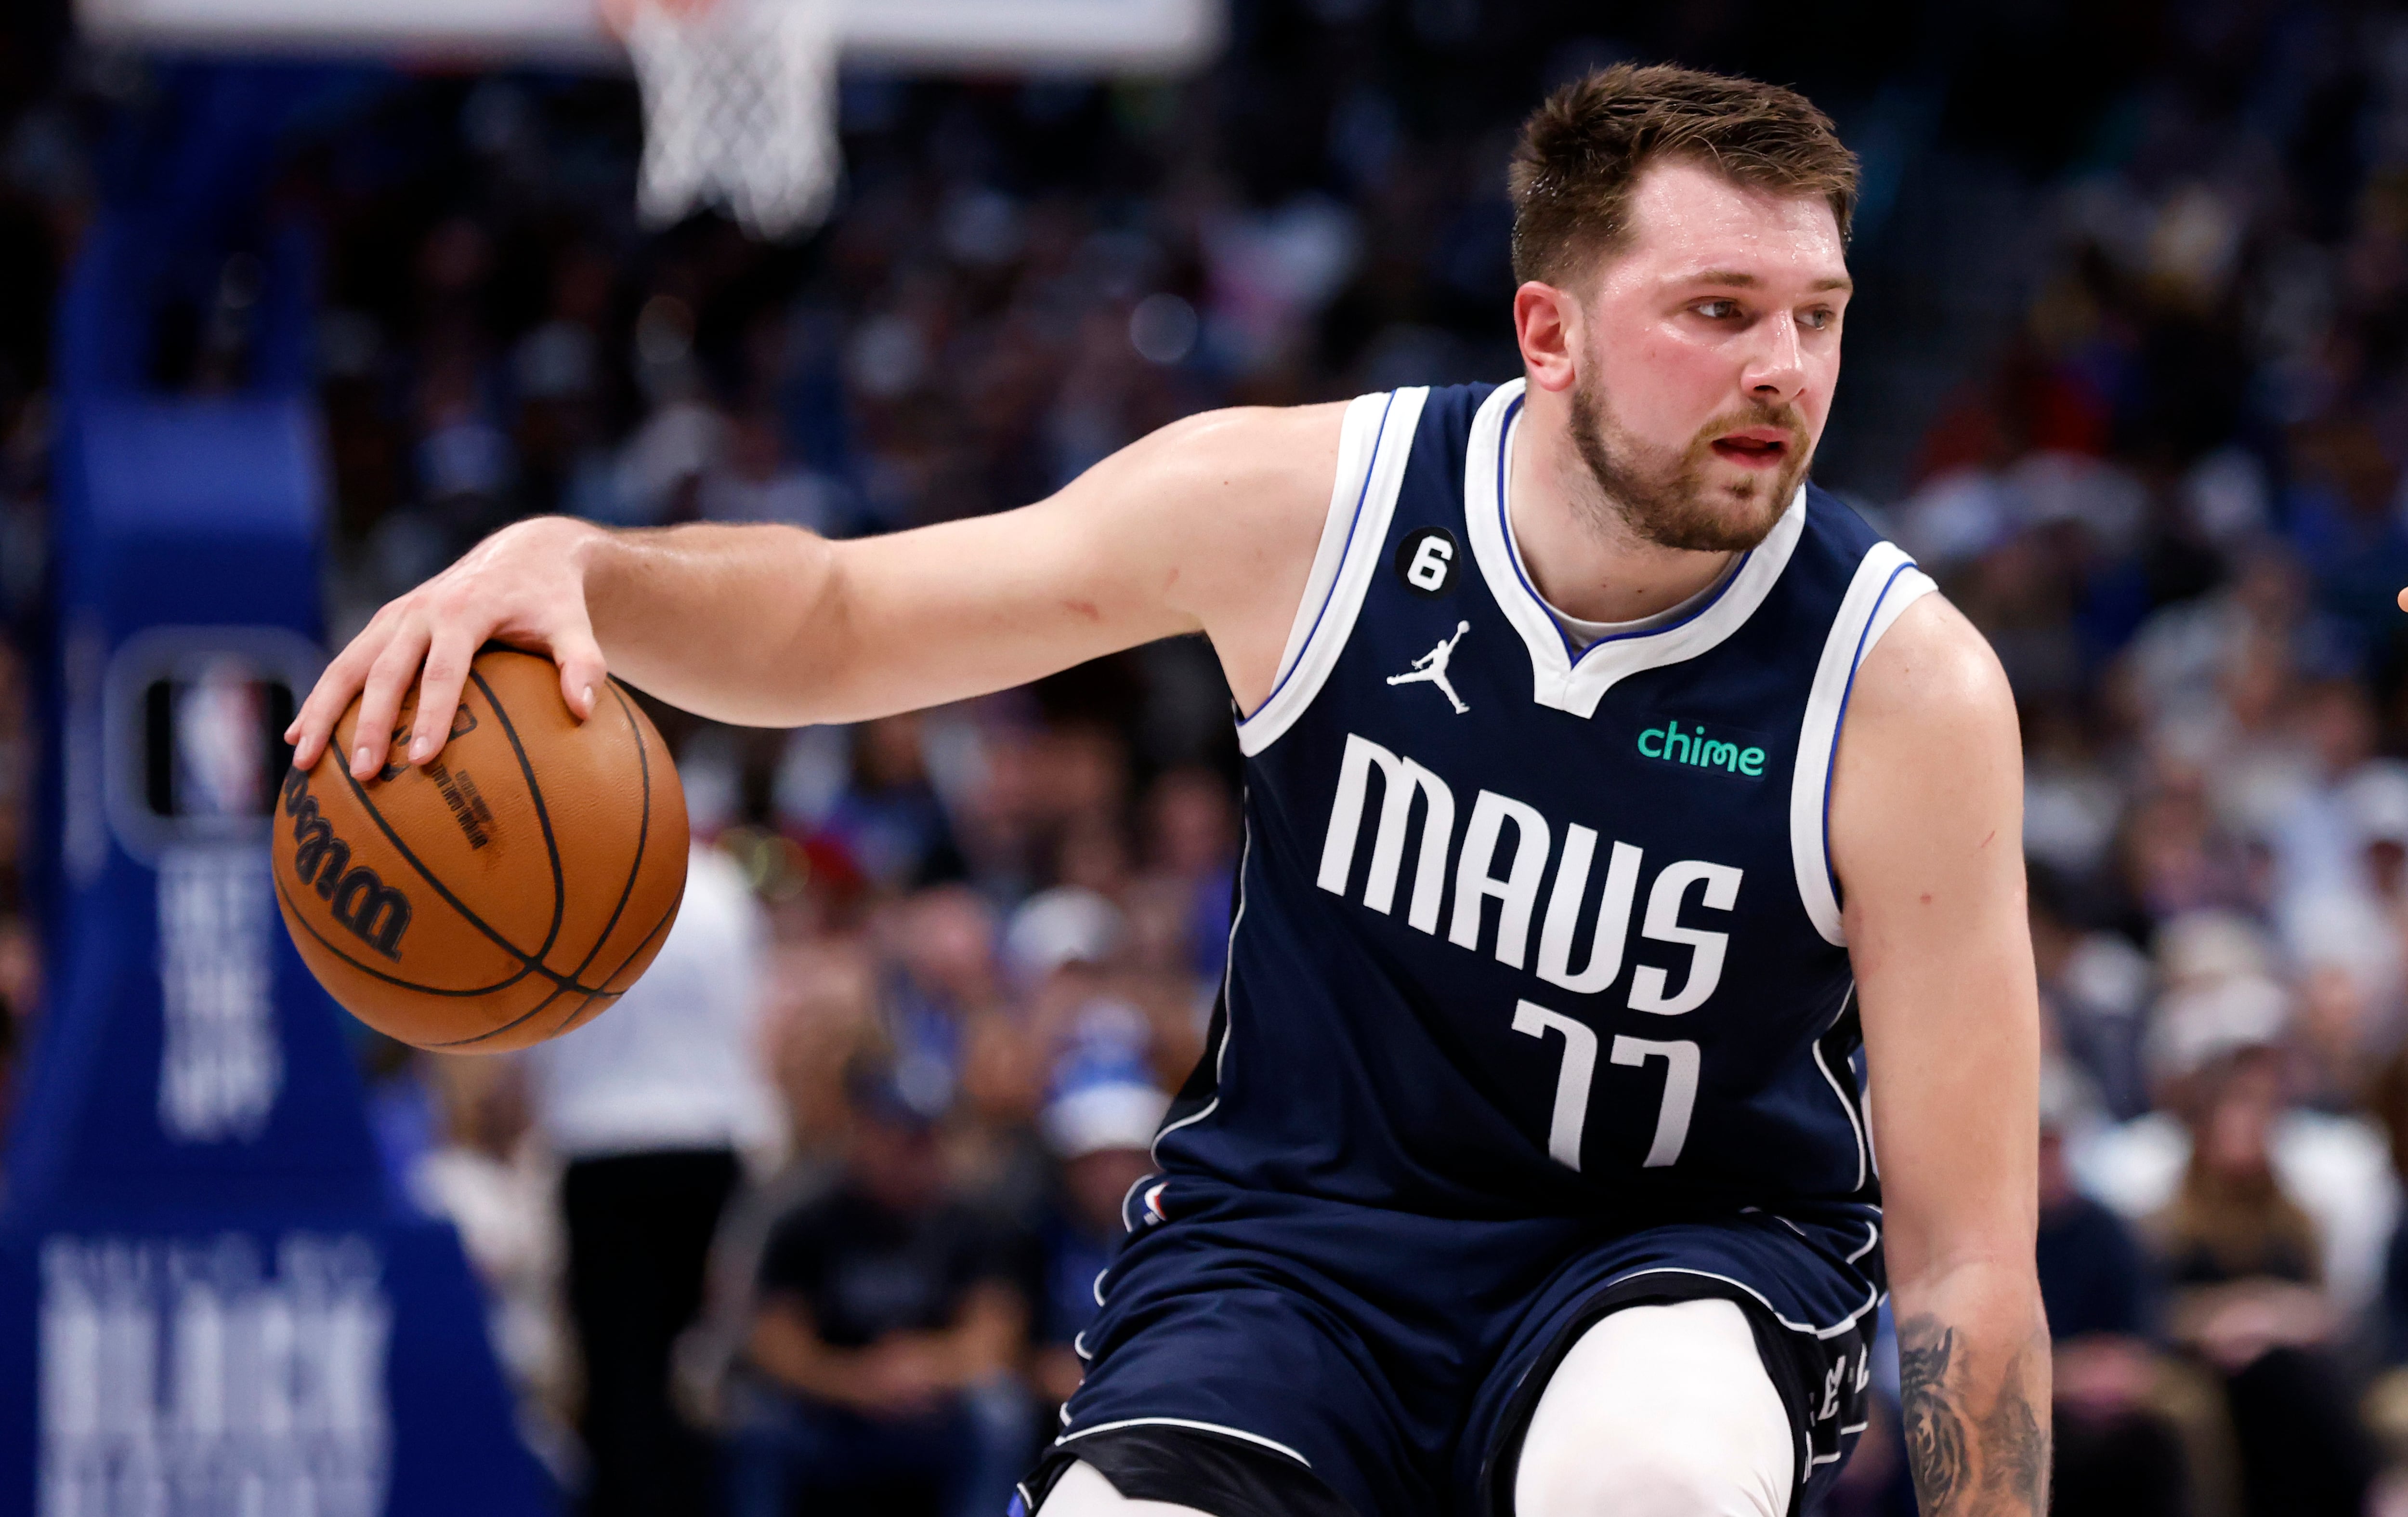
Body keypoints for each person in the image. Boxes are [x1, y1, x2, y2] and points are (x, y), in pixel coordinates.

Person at [289, 64, 2048, 1517]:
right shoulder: (1305, 509)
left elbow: (1968, 1257)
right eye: (1718, 311)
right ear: (1550, 332)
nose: (1782, 372)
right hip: (1297, 1246)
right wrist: (580, 565)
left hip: (1676, 1255)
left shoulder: (1901, 686)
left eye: (1815, 317)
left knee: (1642, 1481)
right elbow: (841, 620)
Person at [524, 837, 781, 1517]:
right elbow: (752, 1017)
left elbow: (527, 1014)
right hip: (706, 1142)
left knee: (622, 1378)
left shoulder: (563, 870)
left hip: (601, 1144)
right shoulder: (722, 883)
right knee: (697, 1371)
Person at [723, 1055, 1034, 1517]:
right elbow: (774, 1344)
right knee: (758, 1420)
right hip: (833, 1414)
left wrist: (924, 1366)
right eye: (896, 1132)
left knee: (1000, 1411)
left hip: (934, 1411)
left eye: (924, 1136)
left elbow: (995, 1338)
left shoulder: (978, 1224)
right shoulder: (807, 1221)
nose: (912, 1149)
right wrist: (858, 1379)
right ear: (862, 1131)